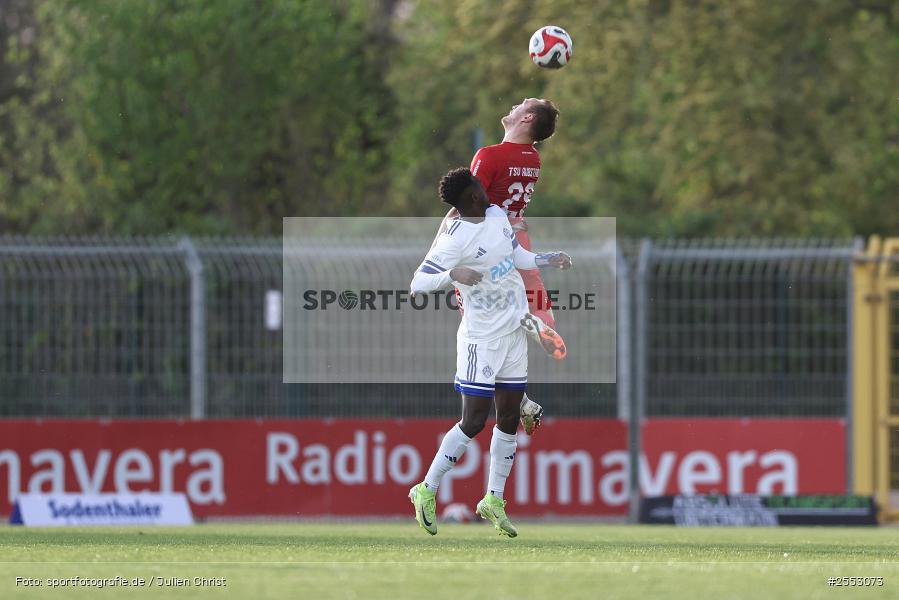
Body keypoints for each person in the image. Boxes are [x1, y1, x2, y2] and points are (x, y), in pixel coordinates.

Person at [408, 167, 572, 537]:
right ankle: (426, 489)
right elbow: (418, 282)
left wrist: (548, 258)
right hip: (480, 341)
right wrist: (453, 275)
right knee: (473, 421)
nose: (486, 190)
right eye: (480, 187)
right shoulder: (455, 239)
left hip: (515, 329)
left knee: (509, 417)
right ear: (471, 197)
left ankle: (493, 499)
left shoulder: (496, 215)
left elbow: (517, 257)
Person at [430, 98, 564, 436]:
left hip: (485, 249)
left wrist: (437, 250)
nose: (516, 105)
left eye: (523, 104)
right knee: (529, 306)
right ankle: (533, 327)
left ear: (527, 118)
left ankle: (522, 336)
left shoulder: (490, 155)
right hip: (518, 241)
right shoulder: (532, 159)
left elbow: (467, 206)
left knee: (481, 330)